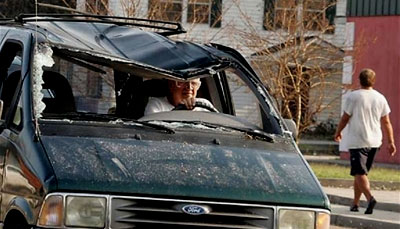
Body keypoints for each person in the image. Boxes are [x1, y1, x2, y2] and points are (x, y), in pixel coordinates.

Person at [334, 68, 396, 214]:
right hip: (375, 141)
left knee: (360, 172)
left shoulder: (353, 97)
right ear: (373, 81)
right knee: (360, 173)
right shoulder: (380, 98)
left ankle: (370, 199)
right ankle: (355, 204)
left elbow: (345, 117)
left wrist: (338, 132)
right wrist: (391, 141)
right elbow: (386, 122)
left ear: (359, 80)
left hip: (358, 140)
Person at [144, 78, 216, 115]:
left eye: (193, 83)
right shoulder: (157, 105)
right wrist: (182, 110)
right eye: (183, 82)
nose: (189, 87)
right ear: (171, 85)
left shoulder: (204, 105)